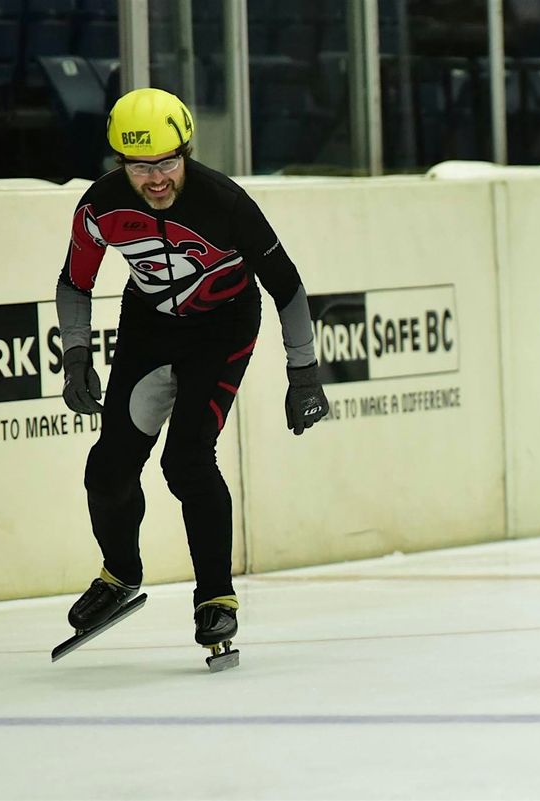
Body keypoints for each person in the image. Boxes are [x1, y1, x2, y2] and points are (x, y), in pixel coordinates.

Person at [55, 87, 329, 655]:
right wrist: (76, 356)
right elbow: (74, 281)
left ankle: (216, 598)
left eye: (167, 163)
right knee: (107, 468)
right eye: (140, 167)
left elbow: (286, 285)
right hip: (149, 326)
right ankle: (119, 575)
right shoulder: (101, 205)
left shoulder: (224, 201)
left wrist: (303, 373)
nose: (156, 179)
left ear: (186, 152)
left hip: (223, 328)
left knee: (186, 461)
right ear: (119, 163)